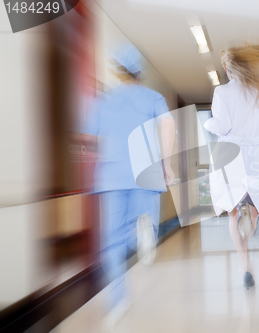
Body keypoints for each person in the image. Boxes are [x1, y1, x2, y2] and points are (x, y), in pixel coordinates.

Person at [81, 44, 175, 325]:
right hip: (145, 172)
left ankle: (118, 300)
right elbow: (168, 125)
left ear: (117, 71)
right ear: (140, 72)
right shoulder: (154, 97)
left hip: (112, 175)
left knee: (111, 242)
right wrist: (166, 164)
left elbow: (88, 139)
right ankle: (143, 231)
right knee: (143, 224)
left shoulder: (102, 101)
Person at [204, 44, 259, 289]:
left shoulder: (222, 93)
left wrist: (209, 125)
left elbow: (222, 125)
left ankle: (245, 265)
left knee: (232, 211)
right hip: (256, 154)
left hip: (230, 155)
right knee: (254, 205)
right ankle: (249, 216)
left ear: (228, 70)